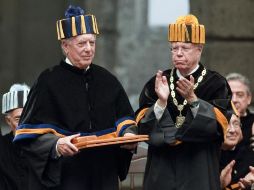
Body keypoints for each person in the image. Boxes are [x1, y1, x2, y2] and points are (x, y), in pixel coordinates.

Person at [14, 5, 137, 190]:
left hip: (104, 175)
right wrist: (56, 145)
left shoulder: (107, 80)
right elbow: (28, 137)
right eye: (81, 43)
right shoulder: (47, 82)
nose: (88, 49)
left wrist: (129, 136)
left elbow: (126, 119)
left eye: (92, 43)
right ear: (65, 46)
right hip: (68, 177)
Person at [135, 14, 234, 190]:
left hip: (198, 168)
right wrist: (161, 103)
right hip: (161, 169)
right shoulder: (158, 81)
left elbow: (219, 129)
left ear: (199, 49)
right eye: (174, 48)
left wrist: (193, 100)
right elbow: (143, 128)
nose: (178, 53)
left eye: (185, 48)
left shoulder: (217, 83)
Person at [0, 83, 30, 190]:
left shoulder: (47, 146)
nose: (24, 123)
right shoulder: (2, 146)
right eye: (18, 119)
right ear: (8, 121)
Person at [220, 113, 254, 189]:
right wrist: (219, 185)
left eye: (236, 124)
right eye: (226, 123)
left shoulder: (250, 156)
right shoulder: (205, 157)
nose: (232, 130)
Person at [226, 73, 254, 149]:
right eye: (229, 95)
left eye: (240, 95)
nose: (234, 100)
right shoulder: (215, 122)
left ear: (248, 99)